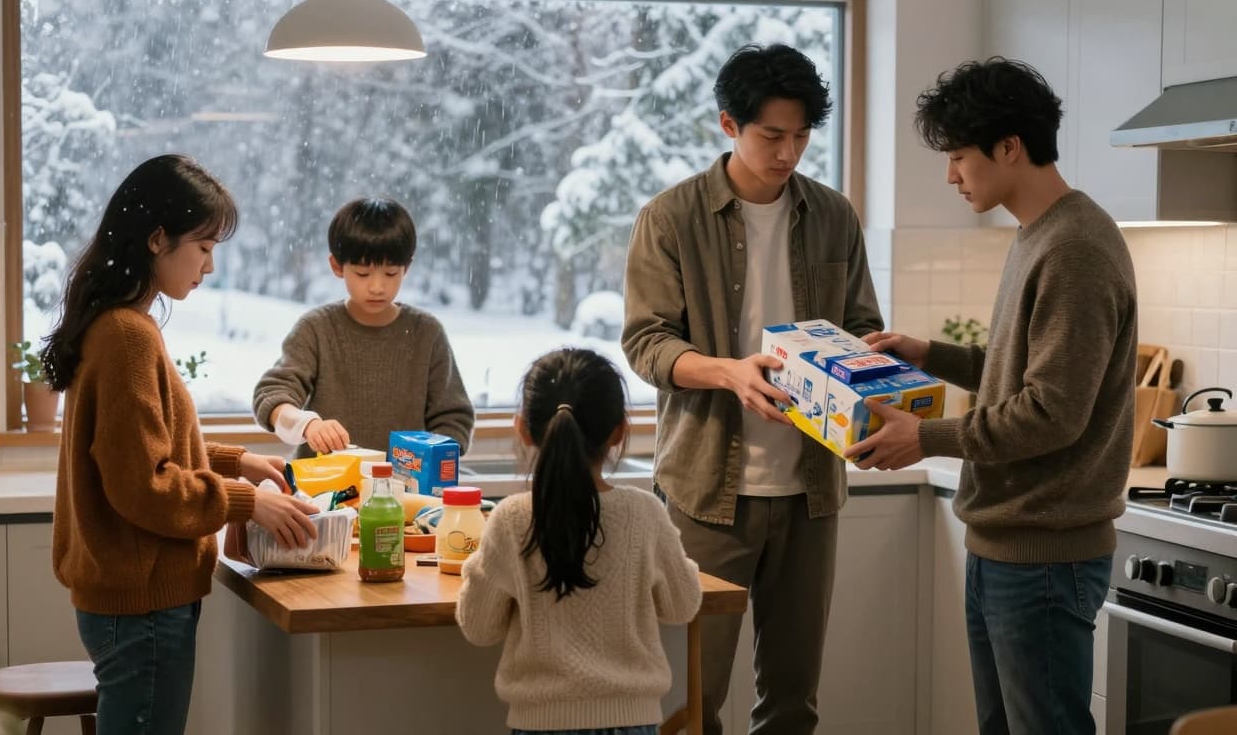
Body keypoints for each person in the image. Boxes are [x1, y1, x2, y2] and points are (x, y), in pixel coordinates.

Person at [843, 58, 1137, 735]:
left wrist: (924, 437)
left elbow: (1051, 414)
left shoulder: (1075, 249)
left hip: (1045, 558)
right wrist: (929, 354)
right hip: (1009, 546)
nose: (950, 175)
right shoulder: (1039, 235)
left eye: (958, 155)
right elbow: (1024, 377)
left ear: (1010, 147)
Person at [622, 43, 882, 734]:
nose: (788, 152)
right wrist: (728, 371)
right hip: (707, 493)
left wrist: (872, 377)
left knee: (794, 703)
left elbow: (862, 328)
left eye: (800, 136)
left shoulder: (833, 216)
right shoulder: (670, 218)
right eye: (772, 135)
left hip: (812, 490)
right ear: (728, 125)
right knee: (690, 698)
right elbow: (645, 344)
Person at [42, 154, 319, 735]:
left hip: (129, 604)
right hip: (142, 607)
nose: (210, 266)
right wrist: (246, 500)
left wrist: (235, 460)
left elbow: (142, 448)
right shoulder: (125, 336)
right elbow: (143, 486)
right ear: (157, 239)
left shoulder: (119, 324)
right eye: (204, 246)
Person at [456, 347, 703, 735]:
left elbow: (479, 628)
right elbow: (682, 605)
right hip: (634, 721)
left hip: (540, 724)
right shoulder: (645, 513)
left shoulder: (511, 518)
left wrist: (475, 564)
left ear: (523, 429)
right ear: (620, 431)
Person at [253, 196, 474, 457]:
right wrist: (307, 425)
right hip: (324, 491)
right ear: (337, 266)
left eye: (391, 273)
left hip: (405, 489)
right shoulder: (317, 328)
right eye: (362, 274)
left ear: (407, 267)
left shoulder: (427, 333)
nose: (377, 287)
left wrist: (431, 459)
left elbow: (453, 418)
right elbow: (273, 395)